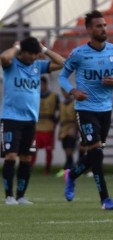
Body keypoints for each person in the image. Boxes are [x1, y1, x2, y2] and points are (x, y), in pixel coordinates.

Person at [58, 10, 113, 210]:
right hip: (85, 108)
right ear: (89, 29)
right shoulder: (78, 53)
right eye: (99, 26)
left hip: (106, 109)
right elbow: (62, 77)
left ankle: (71, 175)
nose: (103, 29)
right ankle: (105, 200)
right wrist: (72, 91)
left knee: (94, 155)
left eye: (104, 25)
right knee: (96, 152)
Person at [0, 36, 65, 205]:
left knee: (27, 158)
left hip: (30, 120)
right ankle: (9, 196)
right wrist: (16, 46)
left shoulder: (37, 66)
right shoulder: (11, 64)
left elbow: (63, 63)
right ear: (23, 52)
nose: (35, 57)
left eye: (37, 54)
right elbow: (4, 57)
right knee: (11, 155)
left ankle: (21, 196)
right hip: (11, 118)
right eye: (32, 54)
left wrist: (44, 49)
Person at [31, 76, 60, 175]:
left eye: (42, 84)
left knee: (48, 150)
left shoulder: (54, 96)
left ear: (46, 84)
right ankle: (29, 168)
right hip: (37, 127)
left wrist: (55, 122)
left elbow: (59, 111)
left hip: (48, 127)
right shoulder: (35, 95)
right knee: (33, 149)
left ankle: (47, 169)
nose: (41, 86)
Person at [55, 89, 80, 177]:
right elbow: (60, 118)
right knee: (66, 149)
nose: (65, 94)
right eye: (63, 92)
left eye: (66, 91)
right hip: (63, 128)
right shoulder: (62, 103)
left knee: (70, 149)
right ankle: (70, 169)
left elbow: (78, 116)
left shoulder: (75, 103)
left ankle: (68, 169)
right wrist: (59, 131)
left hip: (71, 127)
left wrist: (76, 129)